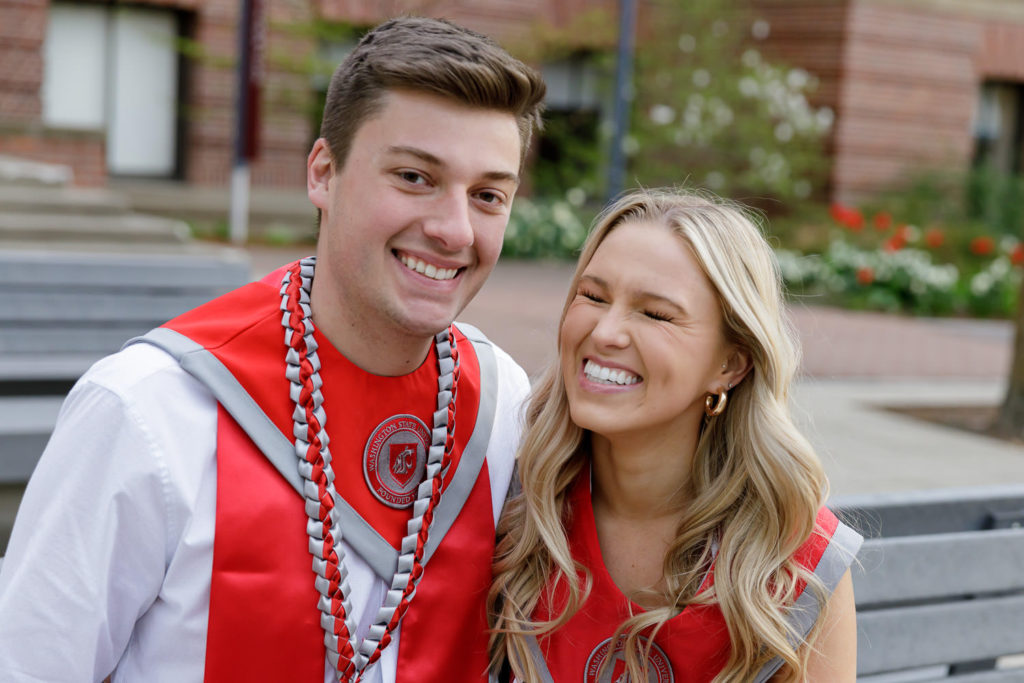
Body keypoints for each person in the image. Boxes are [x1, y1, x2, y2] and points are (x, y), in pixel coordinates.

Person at [0, 16, 545, 683]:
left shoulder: (503, 403)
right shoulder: (150, 408)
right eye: (414, 177)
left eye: (488, 195)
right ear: (322, 173)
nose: (454, 229)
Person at [488, 189, 863, 682]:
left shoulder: (794, 564)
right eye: (593, 296)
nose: (605, 332)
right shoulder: (511, 501)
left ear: (730, 365)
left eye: (656, 314)